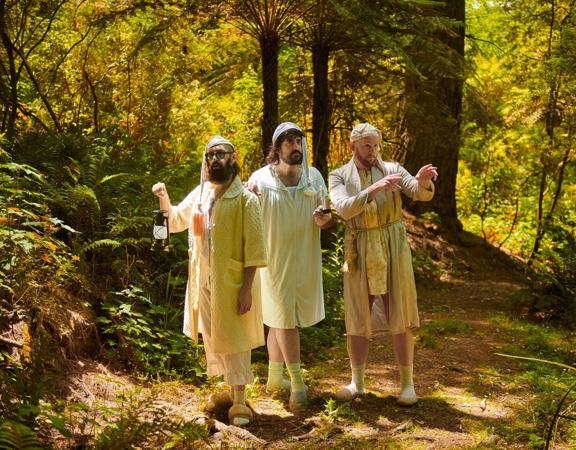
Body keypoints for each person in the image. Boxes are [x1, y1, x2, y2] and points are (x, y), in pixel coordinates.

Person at [152, 136, 267, 425]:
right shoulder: (202, 193)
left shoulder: (245, 199)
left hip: (233, 281)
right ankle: (229, 392)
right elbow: (176, 219)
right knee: (215, 335)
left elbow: (255, 248)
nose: (214, 159)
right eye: (209, 155)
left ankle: (240, 401)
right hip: (203, 280)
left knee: (236, 337)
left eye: (220, 154)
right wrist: (163, 197)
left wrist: (246, 289)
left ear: (233, 158)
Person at [328, 123, 437, 406]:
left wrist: (423, 180)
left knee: (398, 310)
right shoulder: (339, 175)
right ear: (353, 147)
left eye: (376, 145)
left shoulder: (392, 168)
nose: (373, 151)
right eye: (367, 145)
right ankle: (358, 382)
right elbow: (342, 207)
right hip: (360, 247)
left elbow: (417, 191)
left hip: (393, 245)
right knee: (357, 313)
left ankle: (407, 385)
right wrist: (374, 189)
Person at [247, 122, 332, 412]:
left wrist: (324, 219)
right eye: (289, 142)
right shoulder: (260, 179)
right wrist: (251, 199)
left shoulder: (314, 176)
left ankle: (273, 379)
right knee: (285, 318)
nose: (296, 146)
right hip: (273, 258)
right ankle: (297, 384)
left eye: (299, 141)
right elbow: (247, 217)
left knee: (279, 317)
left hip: (305, 256)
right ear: (277, 147)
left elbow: (325, 214)